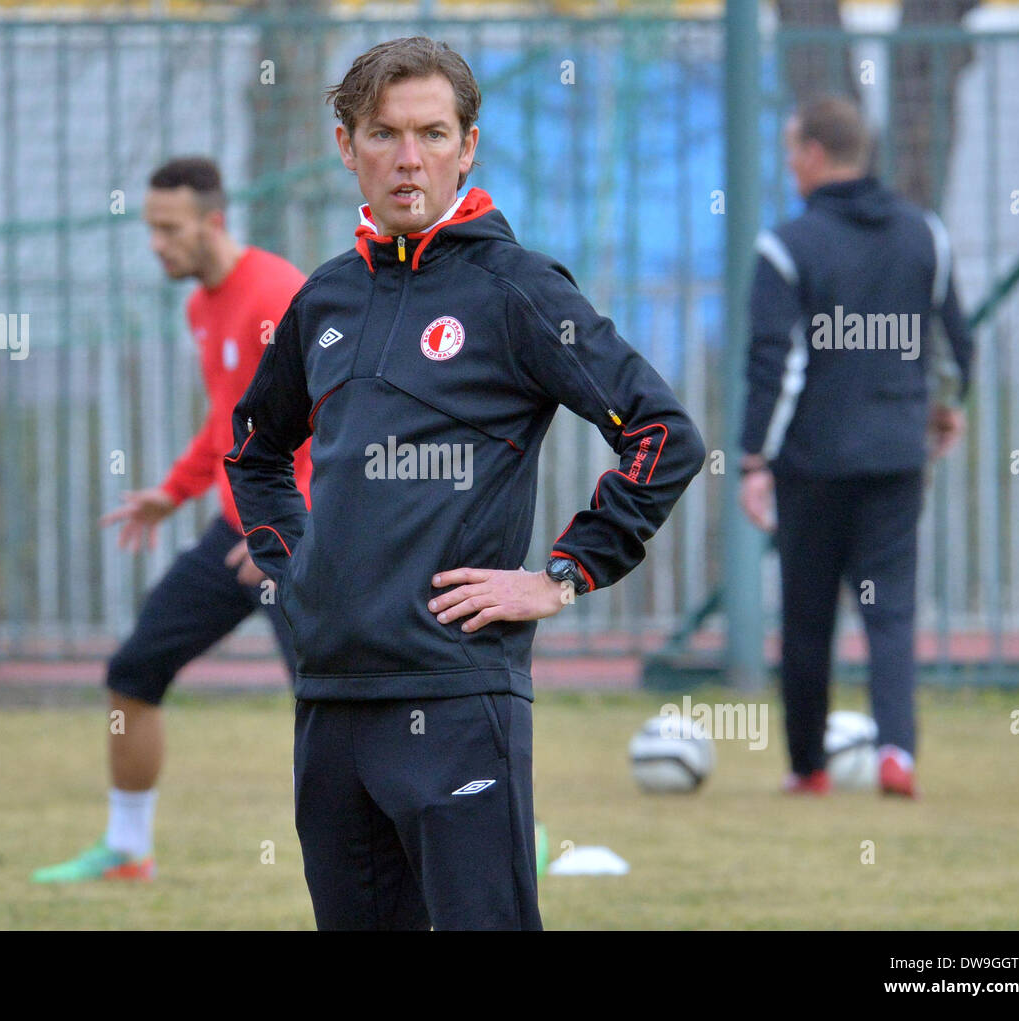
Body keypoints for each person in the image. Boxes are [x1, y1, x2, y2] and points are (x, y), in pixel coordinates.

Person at [224, 36, 704, 929]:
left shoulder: (516, 291)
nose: (409, 160)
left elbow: (662, 434)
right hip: (331, 699)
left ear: (468, 146)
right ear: (346, 145)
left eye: (433, 135)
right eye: (384, 135)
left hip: (455, 695)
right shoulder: (324, 300)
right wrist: (296, 573)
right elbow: (254, 448)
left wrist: (561, 575)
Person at [32, 157, 310, 883]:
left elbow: (326, 422)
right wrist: (174, 491)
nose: (155, 243)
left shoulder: (277, 295)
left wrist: (287, 527)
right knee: (134, 671)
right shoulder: (200, 305)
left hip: (293, 538)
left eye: (167, 228)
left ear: (212, 222)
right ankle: (128, 849)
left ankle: (499, 833)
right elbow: (230, 422)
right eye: (150, 228)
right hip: (234, 533)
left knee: (355, 699)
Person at [738, 96, 973, 800]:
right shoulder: (925, 234)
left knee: (808, 616)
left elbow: (775, 365)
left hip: (813, 461)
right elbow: (957, 346)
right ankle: (896, 752)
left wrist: (753, 459)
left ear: (813, 154)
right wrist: (946, 410)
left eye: (790, 149)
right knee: (891, 610)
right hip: (899, 455)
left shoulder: (786, 246)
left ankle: (808, 766)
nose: (787, 163)